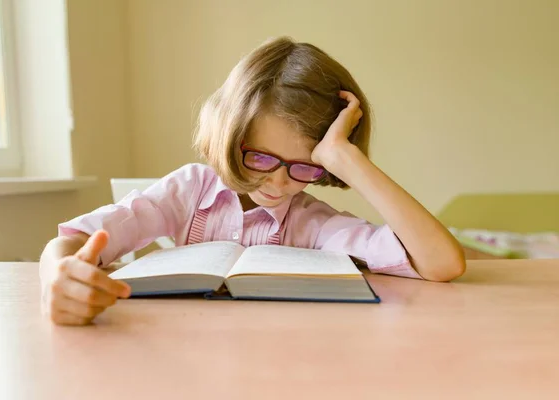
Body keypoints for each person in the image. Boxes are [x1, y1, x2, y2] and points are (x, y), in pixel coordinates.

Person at [39, 36, 466, 326]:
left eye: (304, 166)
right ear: (230, 135)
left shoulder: (313, 223)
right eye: (260, 156)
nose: (277, 183)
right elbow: (75, 240)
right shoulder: (188, 190)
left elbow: (442, 263)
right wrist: (58, 276)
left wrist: (347, 159)